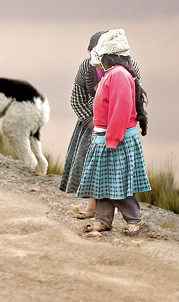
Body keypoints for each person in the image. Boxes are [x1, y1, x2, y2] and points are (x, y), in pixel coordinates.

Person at [75, 29, 150, 235]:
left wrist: (112, 139)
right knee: (100, 183)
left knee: (117, 184)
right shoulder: (113, 75)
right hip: (105, 137)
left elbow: (121, 110)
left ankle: (134, 220)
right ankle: (102, 220)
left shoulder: (118, 76)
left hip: (115, 140)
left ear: (106, 56)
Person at [59, 31, 142, 220]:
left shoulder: (127, 68)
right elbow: (76, 99)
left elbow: (130, 98)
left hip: (118, 127)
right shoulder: (86, 68)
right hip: (91, 123)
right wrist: (93, 124)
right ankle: (92, 208)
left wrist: (114, 129)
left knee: (116, 171)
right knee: (88, 167)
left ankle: (129, 216)